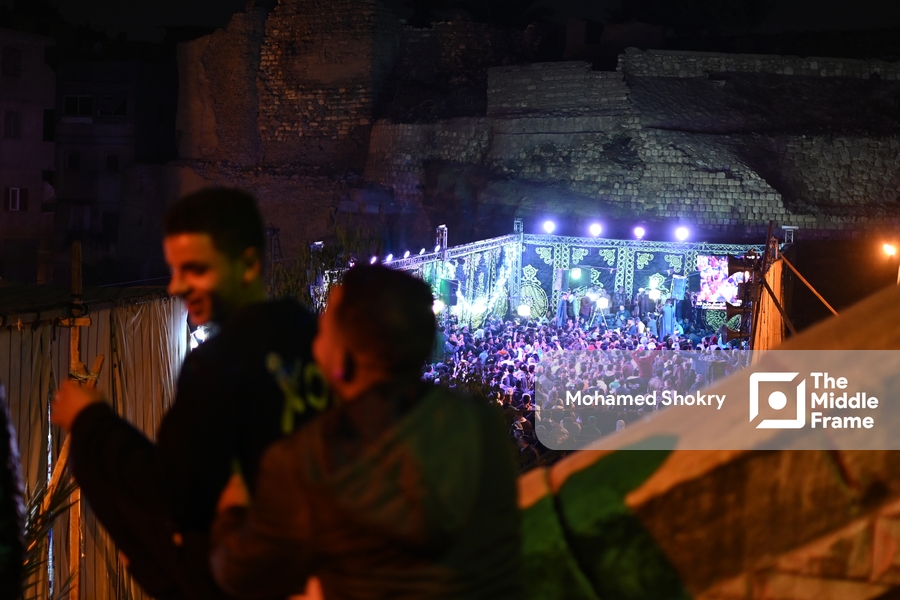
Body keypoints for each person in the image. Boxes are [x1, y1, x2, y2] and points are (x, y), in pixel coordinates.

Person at [51, 188, 330, 600]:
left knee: (91, 451)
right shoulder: (309, 331)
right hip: (310, 551)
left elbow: (172, 491)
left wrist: (91, 417)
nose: (176, 287)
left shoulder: (217, 363)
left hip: (245, 566)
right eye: (175, 270)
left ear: (248, 264)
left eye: (195, 270)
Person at [211, 265, 522, 599]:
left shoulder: (307, 460)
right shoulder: (482, 424)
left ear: (343, 359)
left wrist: (232, 509)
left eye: (323, 326)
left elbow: (239, 572)